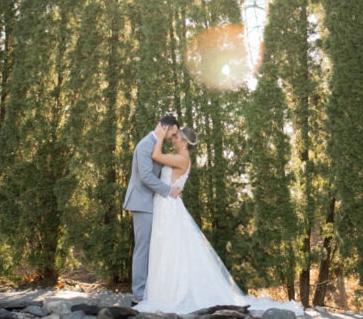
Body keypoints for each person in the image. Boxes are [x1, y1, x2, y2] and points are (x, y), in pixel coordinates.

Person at [134, 125, 303, 316]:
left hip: (168, 208)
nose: (172, 139)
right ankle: (163, 291)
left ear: (184, 142)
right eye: (172, 136)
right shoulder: (180, 157)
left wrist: (160, 134)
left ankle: (170, 294)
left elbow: (156, 155)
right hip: (166, 206)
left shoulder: (181, 158)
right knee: (167, 250)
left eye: (176, 137)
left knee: (170, 250)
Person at [124, 115, 182, 304]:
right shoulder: (144, 145)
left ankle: (150, 291)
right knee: (143, 248)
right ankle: (139, 296)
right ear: (165, 127)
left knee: (153, 248)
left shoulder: (157, 145)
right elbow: (146, 177)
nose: (173, 136)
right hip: (141, 203)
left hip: (153, 203)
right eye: (173, 132)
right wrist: (168, 191)